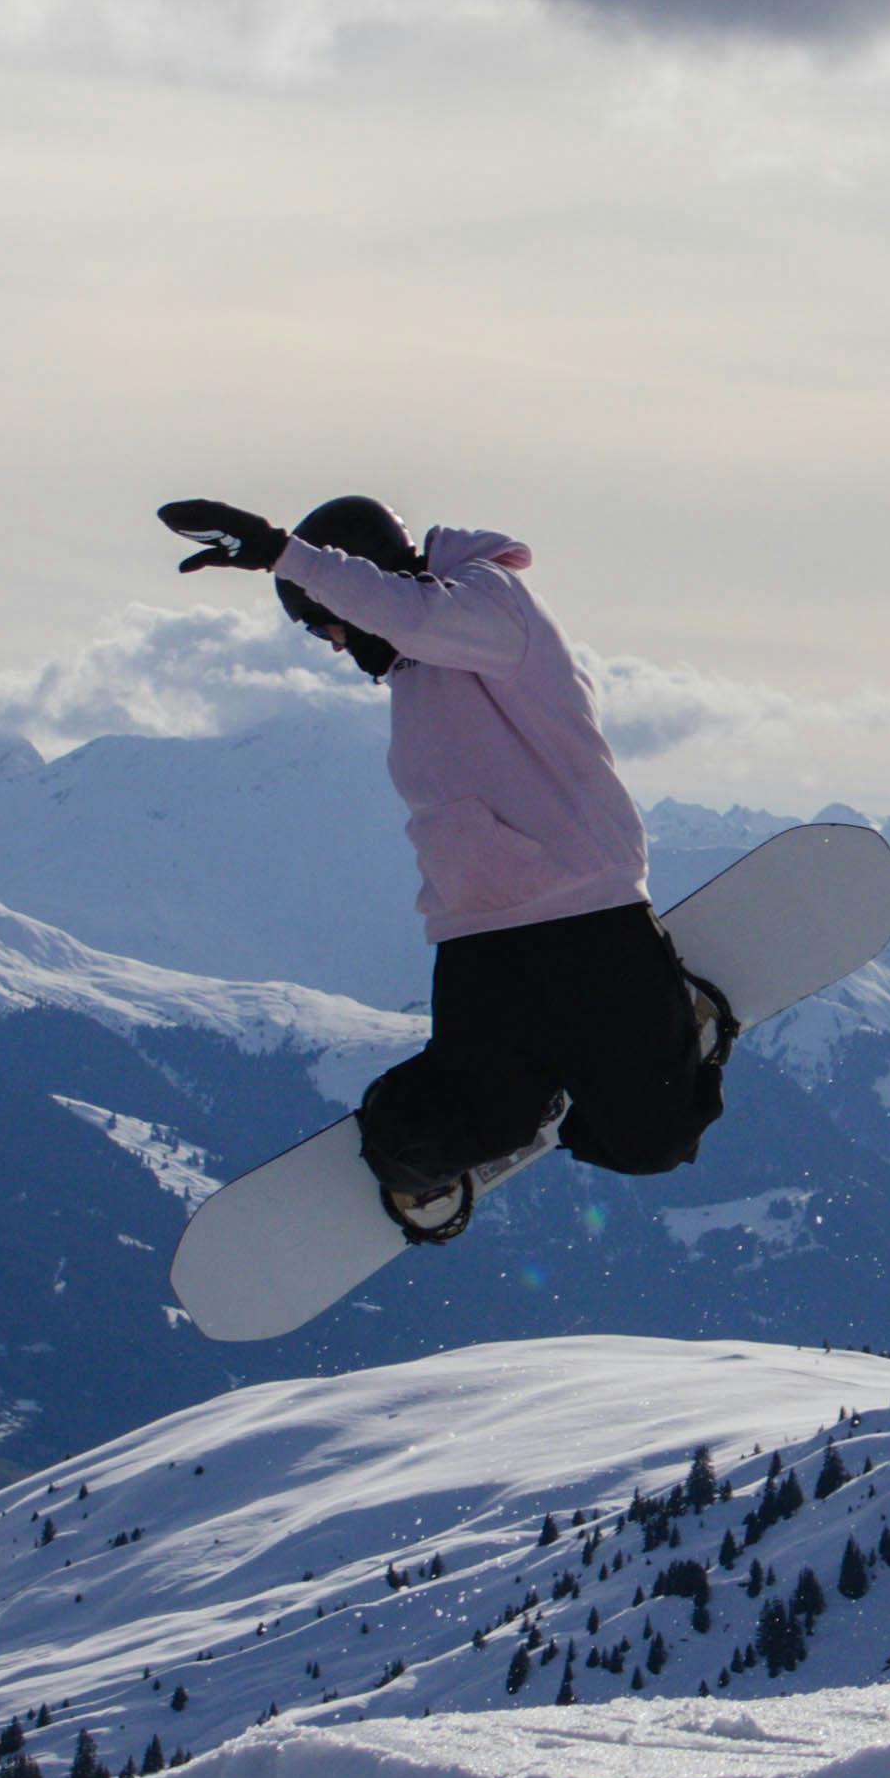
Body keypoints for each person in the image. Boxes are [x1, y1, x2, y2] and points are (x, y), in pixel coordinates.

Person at [156, 494, 730, 1239]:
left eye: (320, 619)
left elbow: (412, 613)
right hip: (479, 937)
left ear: (360, 582)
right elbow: (403, 623)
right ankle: (476, 1130)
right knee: (422, 1138)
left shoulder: (493, 606)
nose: (330, 642)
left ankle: (672, 1026)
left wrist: (282, 553)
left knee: (655, 1141)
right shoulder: (415, 674)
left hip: (586, 911)